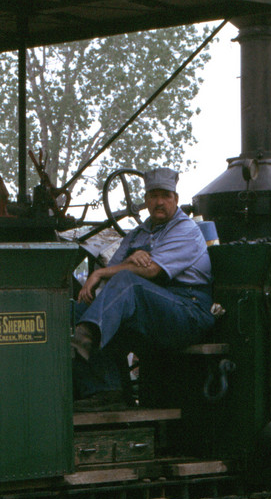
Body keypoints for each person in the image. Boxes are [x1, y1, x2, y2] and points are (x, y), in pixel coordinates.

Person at [72, 166, 214, 403]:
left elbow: (151, 270)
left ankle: (83, 341)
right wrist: (128, 260)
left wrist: (102, 273)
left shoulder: (186, 230)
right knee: (75, 310)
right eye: (154, 196)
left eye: (165, 196)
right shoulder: (137, 234)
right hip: (150, 309)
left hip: (188, 310)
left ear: (175, 199)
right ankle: (105, 388)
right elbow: (114, 274)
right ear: (145, 200)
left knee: (128, 282)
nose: (159, 202)